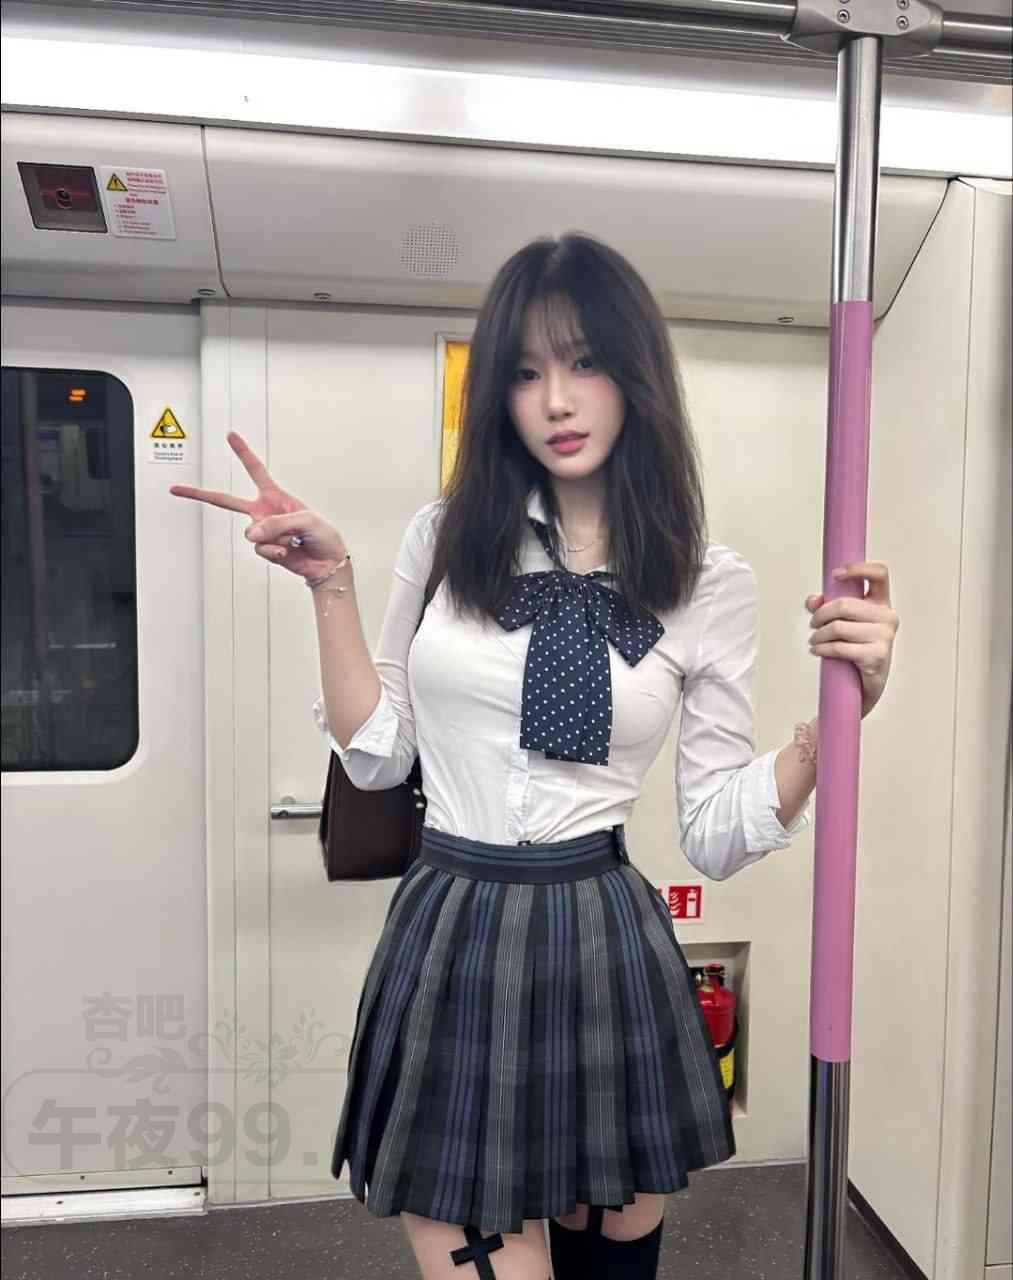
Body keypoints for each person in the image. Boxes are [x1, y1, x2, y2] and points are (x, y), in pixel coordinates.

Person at [171, 232, 899, 1280]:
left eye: (583, 361)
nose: (555, 399)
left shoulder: (705, 581)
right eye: (523, 371)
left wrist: (832, 728)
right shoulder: (445, 537)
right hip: (455, 930)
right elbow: (377, 757)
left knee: (614, 1262)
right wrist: (329, 585)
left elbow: (715, 831)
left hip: (600, 938)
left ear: (635, 375)